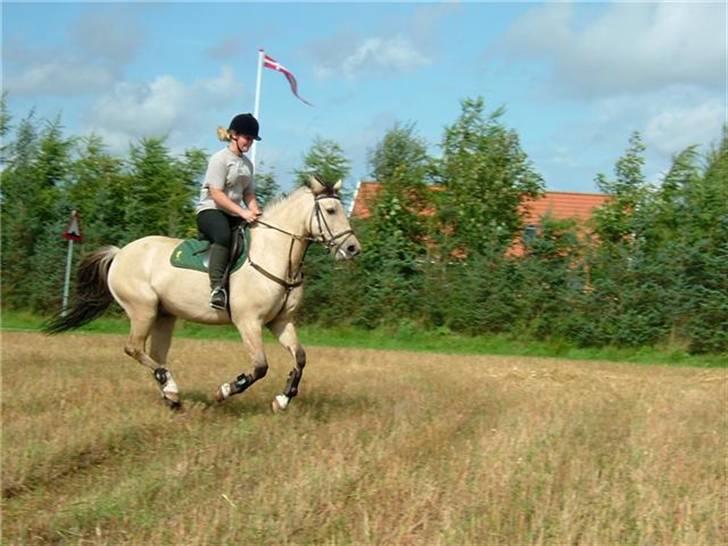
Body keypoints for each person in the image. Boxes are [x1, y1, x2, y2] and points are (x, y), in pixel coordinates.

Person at [195, 113, 262, 310]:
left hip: (233, 213)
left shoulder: (248, 164)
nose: (249, 143)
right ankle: (217, 288)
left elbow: (248, 194)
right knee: (224, 235)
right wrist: (242, 213)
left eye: (251, 139)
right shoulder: (219, 159)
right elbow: (216, 194)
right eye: (247, 138)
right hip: (210, 211)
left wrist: (256, 212)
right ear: (234, 135)